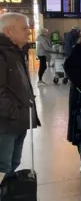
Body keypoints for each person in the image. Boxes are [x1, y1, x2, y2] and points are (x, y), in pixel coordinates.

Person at [0, 13, 40, 178]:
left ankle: (7, 200)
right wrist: (16, 113)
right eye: (24, 28)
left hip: (18, 121)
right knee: (3, 166)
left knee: (12, 164)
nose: (29, 32)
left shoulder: (15, 52)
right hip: (6, 124)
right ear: (9, 31)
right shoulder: (2, 54)